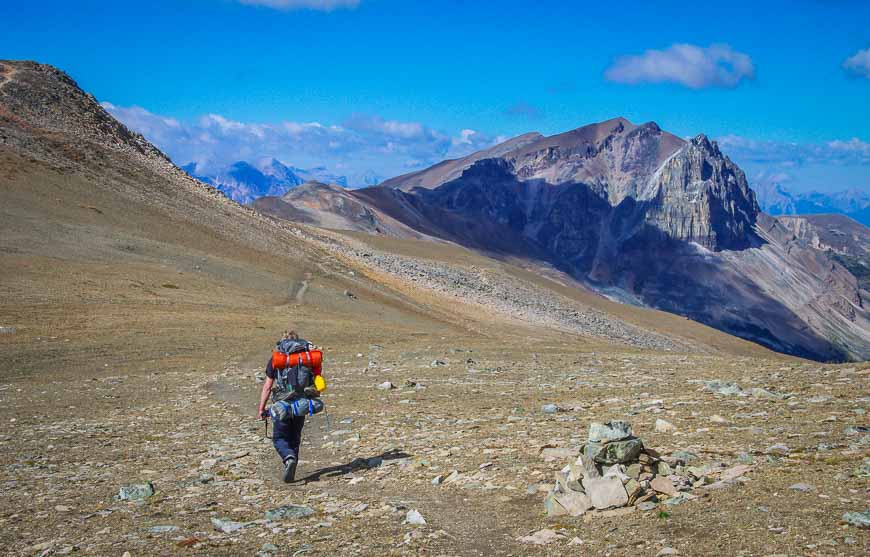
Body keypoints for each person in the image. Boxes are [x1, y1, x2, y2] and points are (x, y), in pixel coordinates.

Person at [257, 330, 320, 483]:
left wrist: (261, 409)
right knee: (295, 437)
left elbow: (267, 386)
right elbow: (317, 379)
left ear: (282, 341)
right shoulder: (307, 358)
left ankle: (288, 458)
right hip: (302, 404)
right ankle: (292, 464)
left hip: (282, 403)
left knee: (279, 438)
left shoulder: (277, 358)